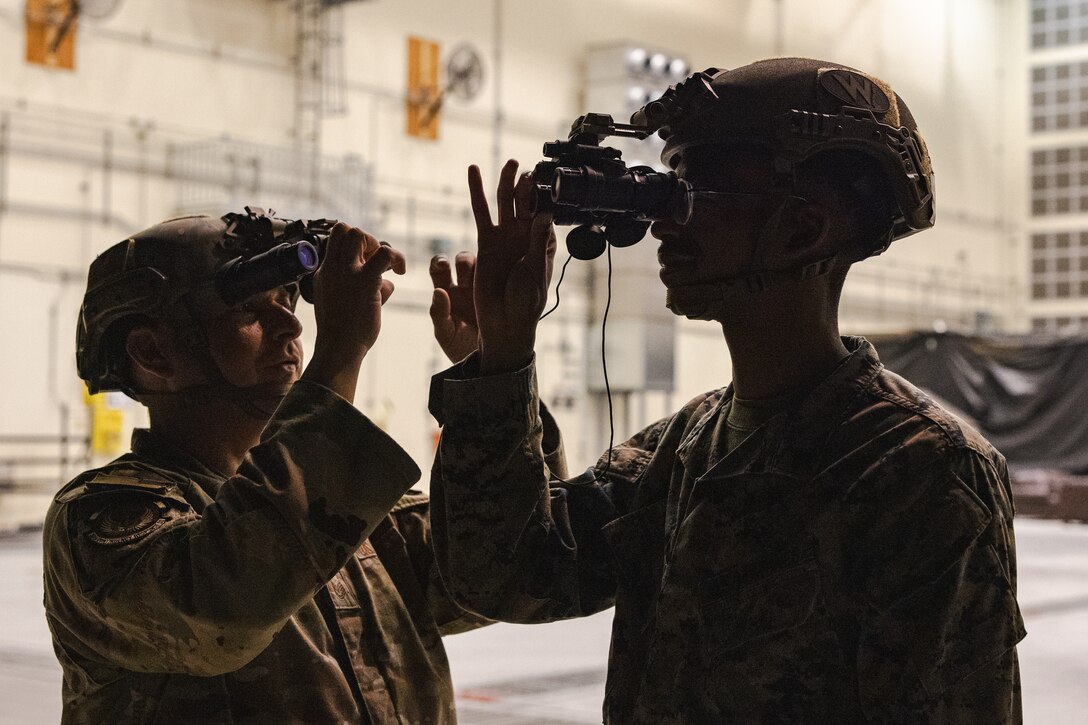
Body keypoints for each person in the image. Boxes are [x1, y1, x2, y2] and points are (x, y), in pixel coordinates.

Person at [426, 58, 1026, 723]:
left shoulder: (922, 472)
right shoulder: (682, 449)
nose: (661, 221)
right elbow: (508, 575)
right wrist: (503, 360)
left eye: (696, 188)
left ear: (804, 229)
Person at [44, 209, 488, 725]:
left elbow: (502, 572)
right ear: (153, 352)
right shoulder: (100, 524)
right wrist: (340, 355)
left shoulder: (356, 514)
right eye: (251, 308)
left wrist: (493, 366)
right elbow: (225, 609)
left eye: (287, 299)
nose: (293, 325)